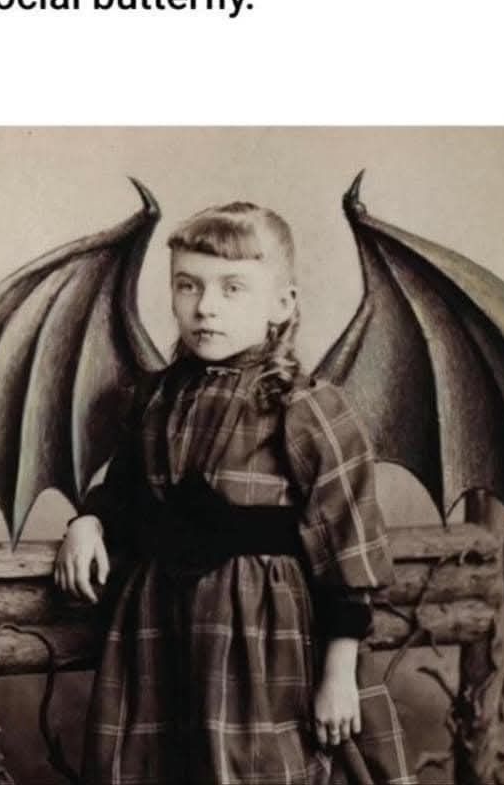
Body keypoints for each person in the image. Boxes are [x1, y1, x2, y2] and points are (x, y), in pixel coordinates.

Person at [54, 202, 416, 785]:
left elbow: (348, 549)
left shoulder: (306, 407)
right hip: (161, 631)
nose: (205, 306)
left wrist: (339, 672)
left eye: (233, 288)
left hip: (261, 637)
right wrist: (88, 523)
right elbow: (125, 494)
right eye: (187, 286)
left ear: (282, 304)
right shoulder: (154, 399)